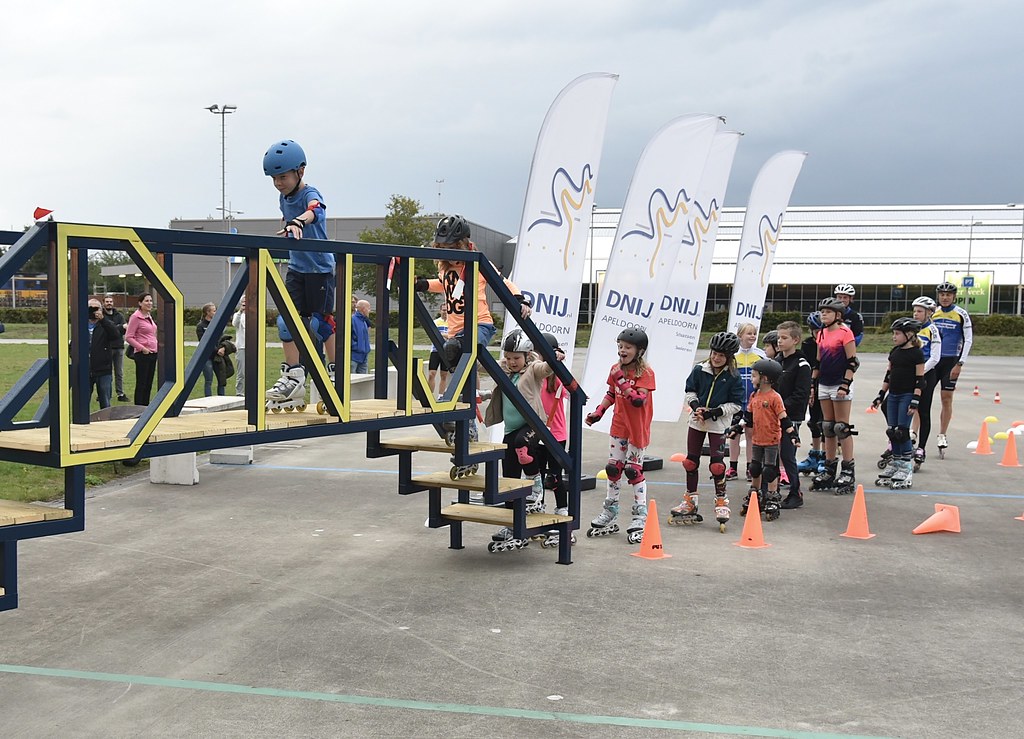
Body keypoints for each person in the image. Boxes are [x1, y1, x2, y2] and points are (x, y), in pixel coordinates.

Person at [262, 139, 337, 411]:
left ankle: (334, 371)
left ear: (300, 172)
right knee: (286, 323)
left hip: (320, 269)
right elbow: (289, 216)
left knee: (319, 325)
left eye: (283, 177)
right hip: (297, 269)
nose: (278, 183)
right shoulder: (283, 197)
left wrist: (299, 221)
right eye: (274, 178)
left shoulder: (309, 192)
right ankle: (293, 375)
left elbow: (316, 210)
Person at [416, 215, 532, 374]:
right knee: (456, 364)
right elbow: (443, 284)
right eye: (441, 248)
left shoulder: (478, 264)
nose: (446, 254)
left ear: (461, 245)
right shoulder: (444, 268)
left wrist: (521, 300)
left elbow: (503, 283)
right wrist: (423, 284)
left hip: (479, 324)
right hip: (455, 330)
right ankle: (475, 392)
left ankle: (498, 373)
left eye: (450, 248)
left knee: (457, 351)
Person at [483, 329, 559, 544]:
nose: (511, 362)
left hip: (533, 424)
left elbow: (546, 369)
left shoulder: (532, 369)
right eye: (507, 358)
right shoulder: (504, 369)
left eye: (516, 358)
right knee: (509, 478)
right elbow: (483, 365)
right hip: (510, 429)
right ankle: (512, 525)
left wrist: (555, 359)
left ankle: (536, 486)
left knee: (521, 445)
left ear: (526, 355)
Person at [584, 327, 656, 544]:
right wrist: (599, 411)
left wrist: (622, 381)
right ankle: (610, 510)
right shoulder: (615, 369)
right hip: (619, 425)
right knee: (613, 468)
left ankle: (640, 514)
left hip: (637, 428)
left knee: (633, 471)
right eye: (620, 346)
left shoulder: (646, 374)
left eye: (627, 347)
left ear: (639, 351)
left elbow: (638, 400)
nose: (622, 351)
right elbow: (611, 393)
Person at [669, 331, 744, 533]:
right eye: (714, 353)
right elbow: (690, 391)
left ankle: (721, 501)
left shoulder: (733, 376)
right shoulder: (699, 370)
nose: (716, 357)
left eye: (721, 355)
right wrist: (696, 407)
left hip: (717, 424)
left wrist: (715, 412)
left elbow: (737, 404)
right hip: (697, 421)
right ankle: (690, 500)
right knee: (690, 461)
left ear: (729, 357)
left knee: (717, 465)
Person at [727, 359, 800, 521]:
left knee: (769, 470)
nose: (751, 379)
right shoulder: (754, 395)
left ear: (765, 379)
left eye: (753, 376)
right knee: (754, 468)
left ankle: (772, 497)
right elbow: (748, 418)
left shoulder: (775, 397)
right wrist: (737, 429)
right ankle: (755, 493)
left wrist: (793, 435)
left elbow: (784, 418)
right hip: (757, 440)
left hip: (772, 440)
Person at [809, 297, 859, 494]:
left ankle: (848, 470)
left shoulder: (845, 332)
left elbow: (852, 362)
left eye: (828, 312)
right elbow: (819, 363)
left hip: (840, 383)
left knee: (842, 427)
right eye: (822, 311)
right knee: (827, 427)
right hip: (824, 383)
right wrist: (813, 386)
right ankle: (829, 469)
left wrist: (845, 384)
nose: (823, 314)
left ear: (838, 315)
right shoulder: (821, 333)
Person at [872, 318, 926, 489]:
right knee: (892, 431)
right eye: (893, 334)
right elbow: (888, 375)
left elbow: (920, 380)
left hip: (907, 395)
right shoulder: (894, 352)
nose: (893, 337)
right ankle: (895, 463)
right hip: (893, 395)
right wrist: (881, 395)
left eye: (897, 334)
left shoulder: (916, 354)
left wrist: (915, 400)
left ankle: (905, 466)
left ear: (909, 335)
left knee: (902, 431)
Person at [931, 281, 973, 457]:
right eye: (942, 294)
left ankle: (942, 434)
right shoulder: (932, 312)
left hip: (950, 361)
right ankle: (914, 432)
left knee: (946, 398)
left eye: (948, 295)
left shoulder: (961, 314)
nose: (945, 297)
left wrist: (960, 363)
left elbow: (968, 340)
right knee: (922, 397)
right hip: (932, 361)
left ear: (954, 297)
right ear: (938, 296)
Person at [774, 321, 812, 509]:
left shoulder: (801, 364)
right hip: (774, 416)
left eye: (784, 338)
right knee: (772, 455)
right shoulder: (778, 361)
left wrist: (779, 407)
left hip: (791, 417)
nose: (779, 341)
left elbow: (801, 394)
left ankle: (795, 492)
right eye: (778, 337)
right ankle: (771, 490)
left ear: (795, 340)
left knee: (788, 455)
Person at [728, 322, 766, 481]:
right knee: (734, 435)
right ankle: (732, 467)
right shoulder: (732, 356)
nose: (752, 336)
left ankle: (751, 467)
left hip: (753, 402)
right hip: (736, 402)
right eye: (748, 333)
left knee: (751, 434)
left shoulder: (760, 355)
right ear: (739, 336)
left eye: (754, 333)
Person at [909, 296, 941, 467]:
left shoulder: (933, 330)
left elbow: (935, 357)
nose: (916, 314)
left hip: (926, 374)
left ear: (929, 313)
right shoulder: (911, 329)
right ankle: (901, 442)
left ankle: (921, 447)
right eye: (914, 311)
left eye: (920, 311)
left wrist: (920, 372)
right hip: (912, 374)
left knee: (923, 410)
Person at [797, 311, 826, 477]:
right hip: (813, 384)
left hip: (828, 383)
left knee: (826, 423)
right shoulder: (808, 344)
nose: (818, 335)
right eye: (815, 331)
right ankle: (815, 454)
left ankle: (825, 456)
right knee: (814, 421)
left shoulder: (831, 343)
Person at [125, 293, 158, 405]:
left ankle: (146, 407)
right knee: (142, 383)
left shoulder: (149, 316)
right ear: (140, 303)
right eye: (146, 301)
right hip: (142, 354)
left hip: (153, 353)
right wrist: (142, 348)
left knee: (149, 382)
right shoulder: (135, 317)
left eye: (150, 301)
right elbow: (129, 337)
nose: (149, 303)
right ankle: (139, 406)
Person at [87, 297, 120, 409]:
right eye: (91, 308)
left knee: (105, 401)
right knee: (83, 400)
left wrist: (103, 320)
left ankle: (105, 422)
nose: (94, 311)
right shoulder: (80, 325)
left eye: (97, 308)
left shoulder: (106, 324)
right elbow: (73, 344)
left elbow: (115, 335)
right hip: (86, 369)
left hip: (103, 369)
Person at [102, 294, 129, 402]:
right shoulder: (102, 316)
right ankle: (104, 393)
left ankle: (120, 393)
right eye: (107, 301)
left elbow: (125, 329)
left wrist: (113, 328)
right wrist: (118, 328)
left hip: (119, 347)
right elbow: (105, 330)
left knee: (119, 372)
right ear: (103, 303)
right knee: (106, 372)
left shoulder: (119, 315)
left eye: (111, 302)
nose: (109, 303)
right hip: (106, 347)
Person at [427, 305, 450, 396]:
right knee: (431, 374)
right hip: (435, 350)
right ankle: (430, 395)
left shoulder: (451, 323)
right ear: (440, 311)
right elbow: (433, 334)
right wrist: (445, 335)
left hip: (447, 350)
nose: (445, 312)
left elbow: (451, 336)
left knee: (444, 375)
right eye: (443, 310)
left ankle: (441, 395)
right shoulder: (435, 322)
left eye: (447, 310)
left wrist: (442, 334)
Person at [196, 302, 216, 396]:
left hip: (217, 355)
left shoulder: (216, 323)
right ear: (208, 312)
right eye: (214, 310)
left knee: (222, 380)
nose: (216, 312)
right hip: (206, 356)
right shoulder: (201, 326)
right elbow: (203, 341)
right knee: (208, 380)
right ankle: (208, 398)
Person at [351, 300, 372, 374]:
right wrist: (356, 347)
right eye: (368, 308)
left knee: (363, 382)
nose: (370, 310)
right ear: (363, 309)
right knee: (352, 380)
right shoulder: (352, 320)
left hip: (364, 357)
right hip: (354, 357)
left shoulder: (364, 321)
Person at [232, 295, 246, 395]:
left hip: (252, 347)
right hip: (241, 346)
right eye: (243, 302)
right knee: (241, 372)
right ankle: (239, 393)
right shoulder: (238, 315)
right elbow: (234, 324)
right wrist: (241, 311)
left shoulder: (254, 313)